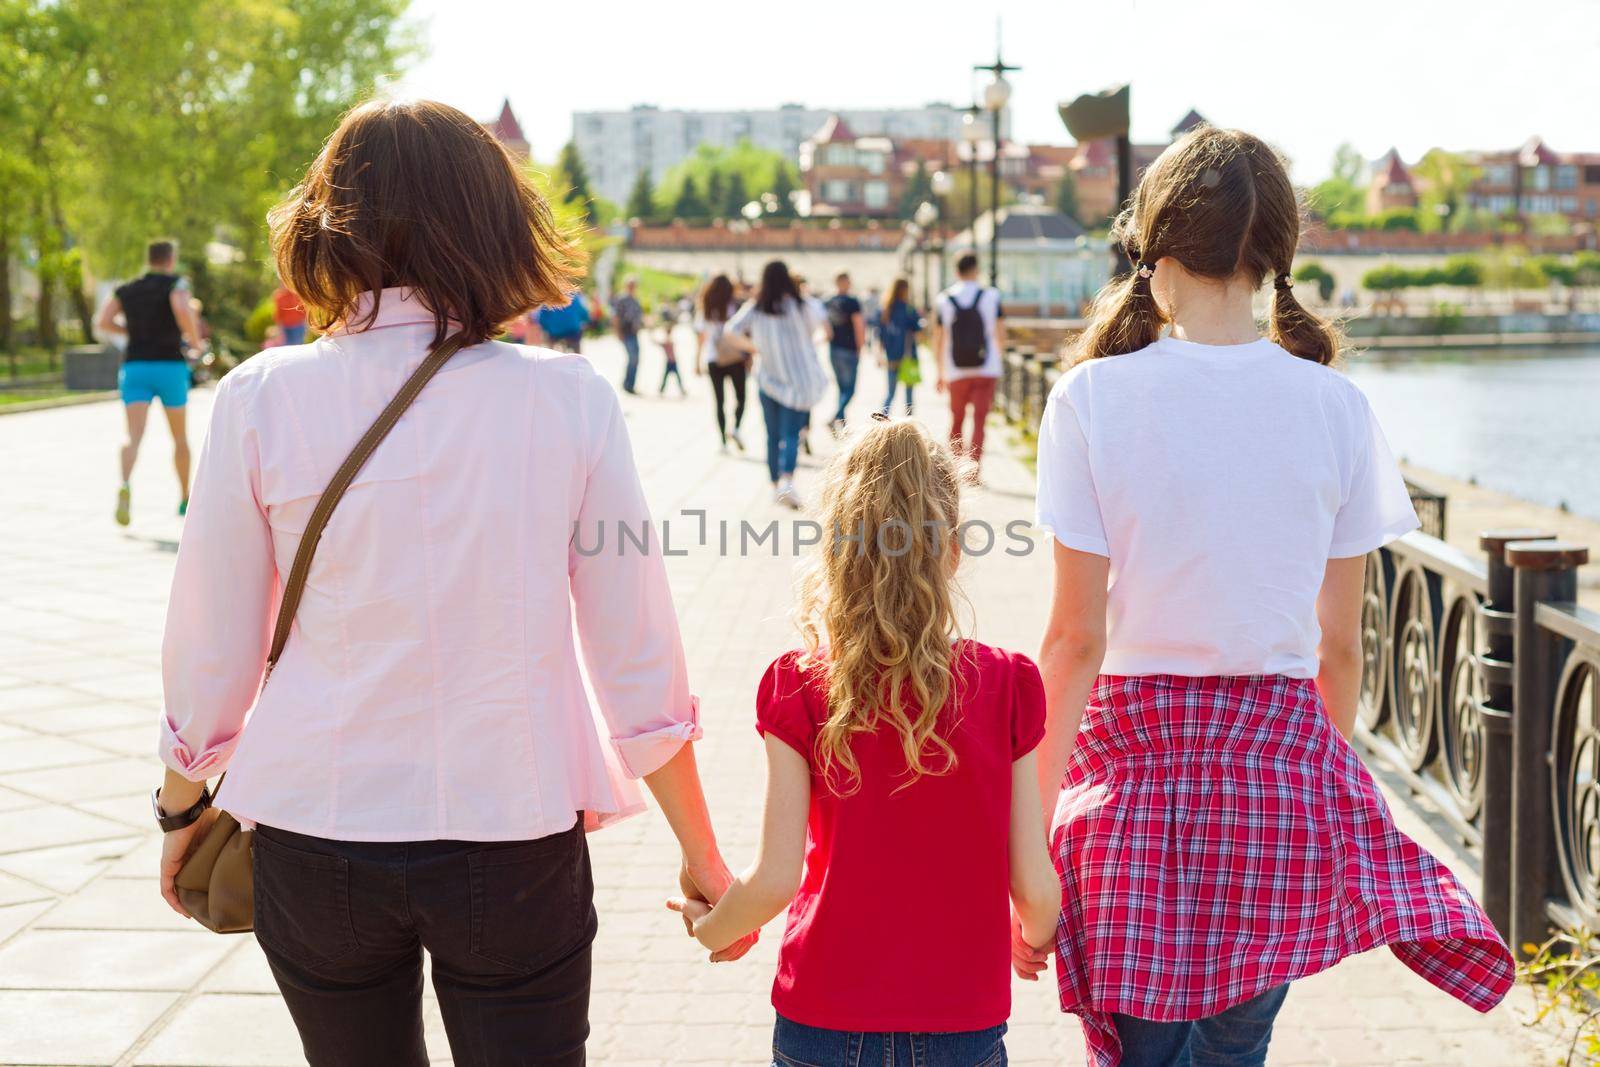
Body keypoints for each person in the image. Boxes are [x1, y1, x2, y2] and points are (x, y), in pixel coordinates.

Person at [152, 99, 749, 1067]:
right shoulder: (568, 399)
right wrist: (703, 852)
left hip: (314, 823)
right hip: (510, 827)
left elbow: (210, 645)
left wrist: (182, 809)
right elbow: (636, 651)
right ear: (494, 224)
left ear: (325, 221)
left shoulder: (261, 399)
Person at [1023, 125, 1514, 1067]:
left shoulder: (1089, 399)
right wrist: (1323, 800)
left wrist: (1031, 843)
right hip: (1278, 790)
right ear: (1274, 256)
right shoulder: (1336, 407)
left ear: (1155, 247)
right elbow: (1340, 651)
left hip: (1132, 789)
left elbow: (1074, 641)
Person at [667, 419, 1062, 1066]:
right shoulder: (1009, 684)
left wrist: (714, 926)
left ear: (837, 549)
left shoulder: (797, 685)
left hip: (821, 1018)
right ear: (954, 550)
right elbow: (1034, 883)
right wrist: (1034, 938)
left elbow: (774, 879)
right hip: (961, 1022)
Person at [96, 239, 205, 525]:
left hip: (135, 367)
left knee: (133, 435)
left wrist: (129, 331)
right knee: (179, 438)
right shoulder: (175, 284)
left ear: (149, 259)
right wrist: (194, 342)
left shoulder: (127, 289)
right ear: (170, 260)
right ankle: (184, 497)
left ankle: (124, 484)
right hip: (169, 366)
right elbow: (182, 309)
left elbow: (103, 321)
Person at [727, 260, 827, 509]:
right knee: (792, 433)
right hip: (797, 381)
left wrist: (755, 347)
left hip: (767, 379)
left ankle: (774, 486)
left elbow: (730, 332)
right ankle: (786, 481)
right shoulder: (801, 305)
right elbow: (823, 327)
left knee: (772, 435)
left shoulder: (757, 307)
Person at [932, 253, 1004, 474]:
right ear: (977, 270)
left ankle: (955, 469)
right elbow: (1000, 333)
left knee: (957, 419)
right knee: (980, 420)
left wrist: (940, 371)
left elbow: (938, 338)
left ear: (956, 272)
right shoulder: (991, 296)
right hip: (986, 367)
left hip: (956, 370)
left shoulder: (944, 299)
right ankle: (973, 469)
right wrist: (998, 361)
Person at [695, 273, 752, 451]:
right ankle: (735, 428)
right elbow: (745, 333)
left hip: (713, 359)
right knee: (741, 397)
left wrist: (696, 361)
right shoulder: (735, 306)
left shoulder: (705, 308)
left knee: (719, 401)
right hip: (735, 358)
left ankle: (723, 441)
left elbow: (701, 338)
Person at [822, 271, 865, 433]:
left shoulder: (828, 301)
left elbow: (825, 326)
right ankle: (835, 417)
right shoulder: (852, 302)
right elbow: (859, 325)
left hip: (834, 349)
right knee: (850, 389)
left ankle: (841, 420)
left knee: (841, 388)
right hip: (849, 349)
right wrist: (860, 347)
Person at [877, 277, 923, 416]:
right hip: (908, 355)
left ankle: (881, 420)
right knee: (909, 395)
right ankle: (909, 426)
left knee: (890, 393)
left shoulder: (885, 309)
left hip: (891, 356)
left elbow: (880, 335)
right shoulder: (909, 309)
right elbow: (919, 333)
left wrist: (879, 354)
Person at [612, 276, 645, 394]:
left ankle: (630, 383)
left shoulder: (635, 300)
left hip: (634, 333)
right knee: (633, 358)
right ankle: (628, 384)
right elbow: (615, 317)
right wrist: (618, 332)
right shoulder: (621, 299)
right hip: (626, 333)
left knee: (635, 358)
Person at [657, 303, 685, 396]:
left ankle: (663, 389)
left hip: (671, 362)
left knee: (671, 377)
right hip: (671, 362)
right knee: (673, 377)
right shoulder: (669, 341)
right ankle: (663, 389)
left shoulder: (668, 341)